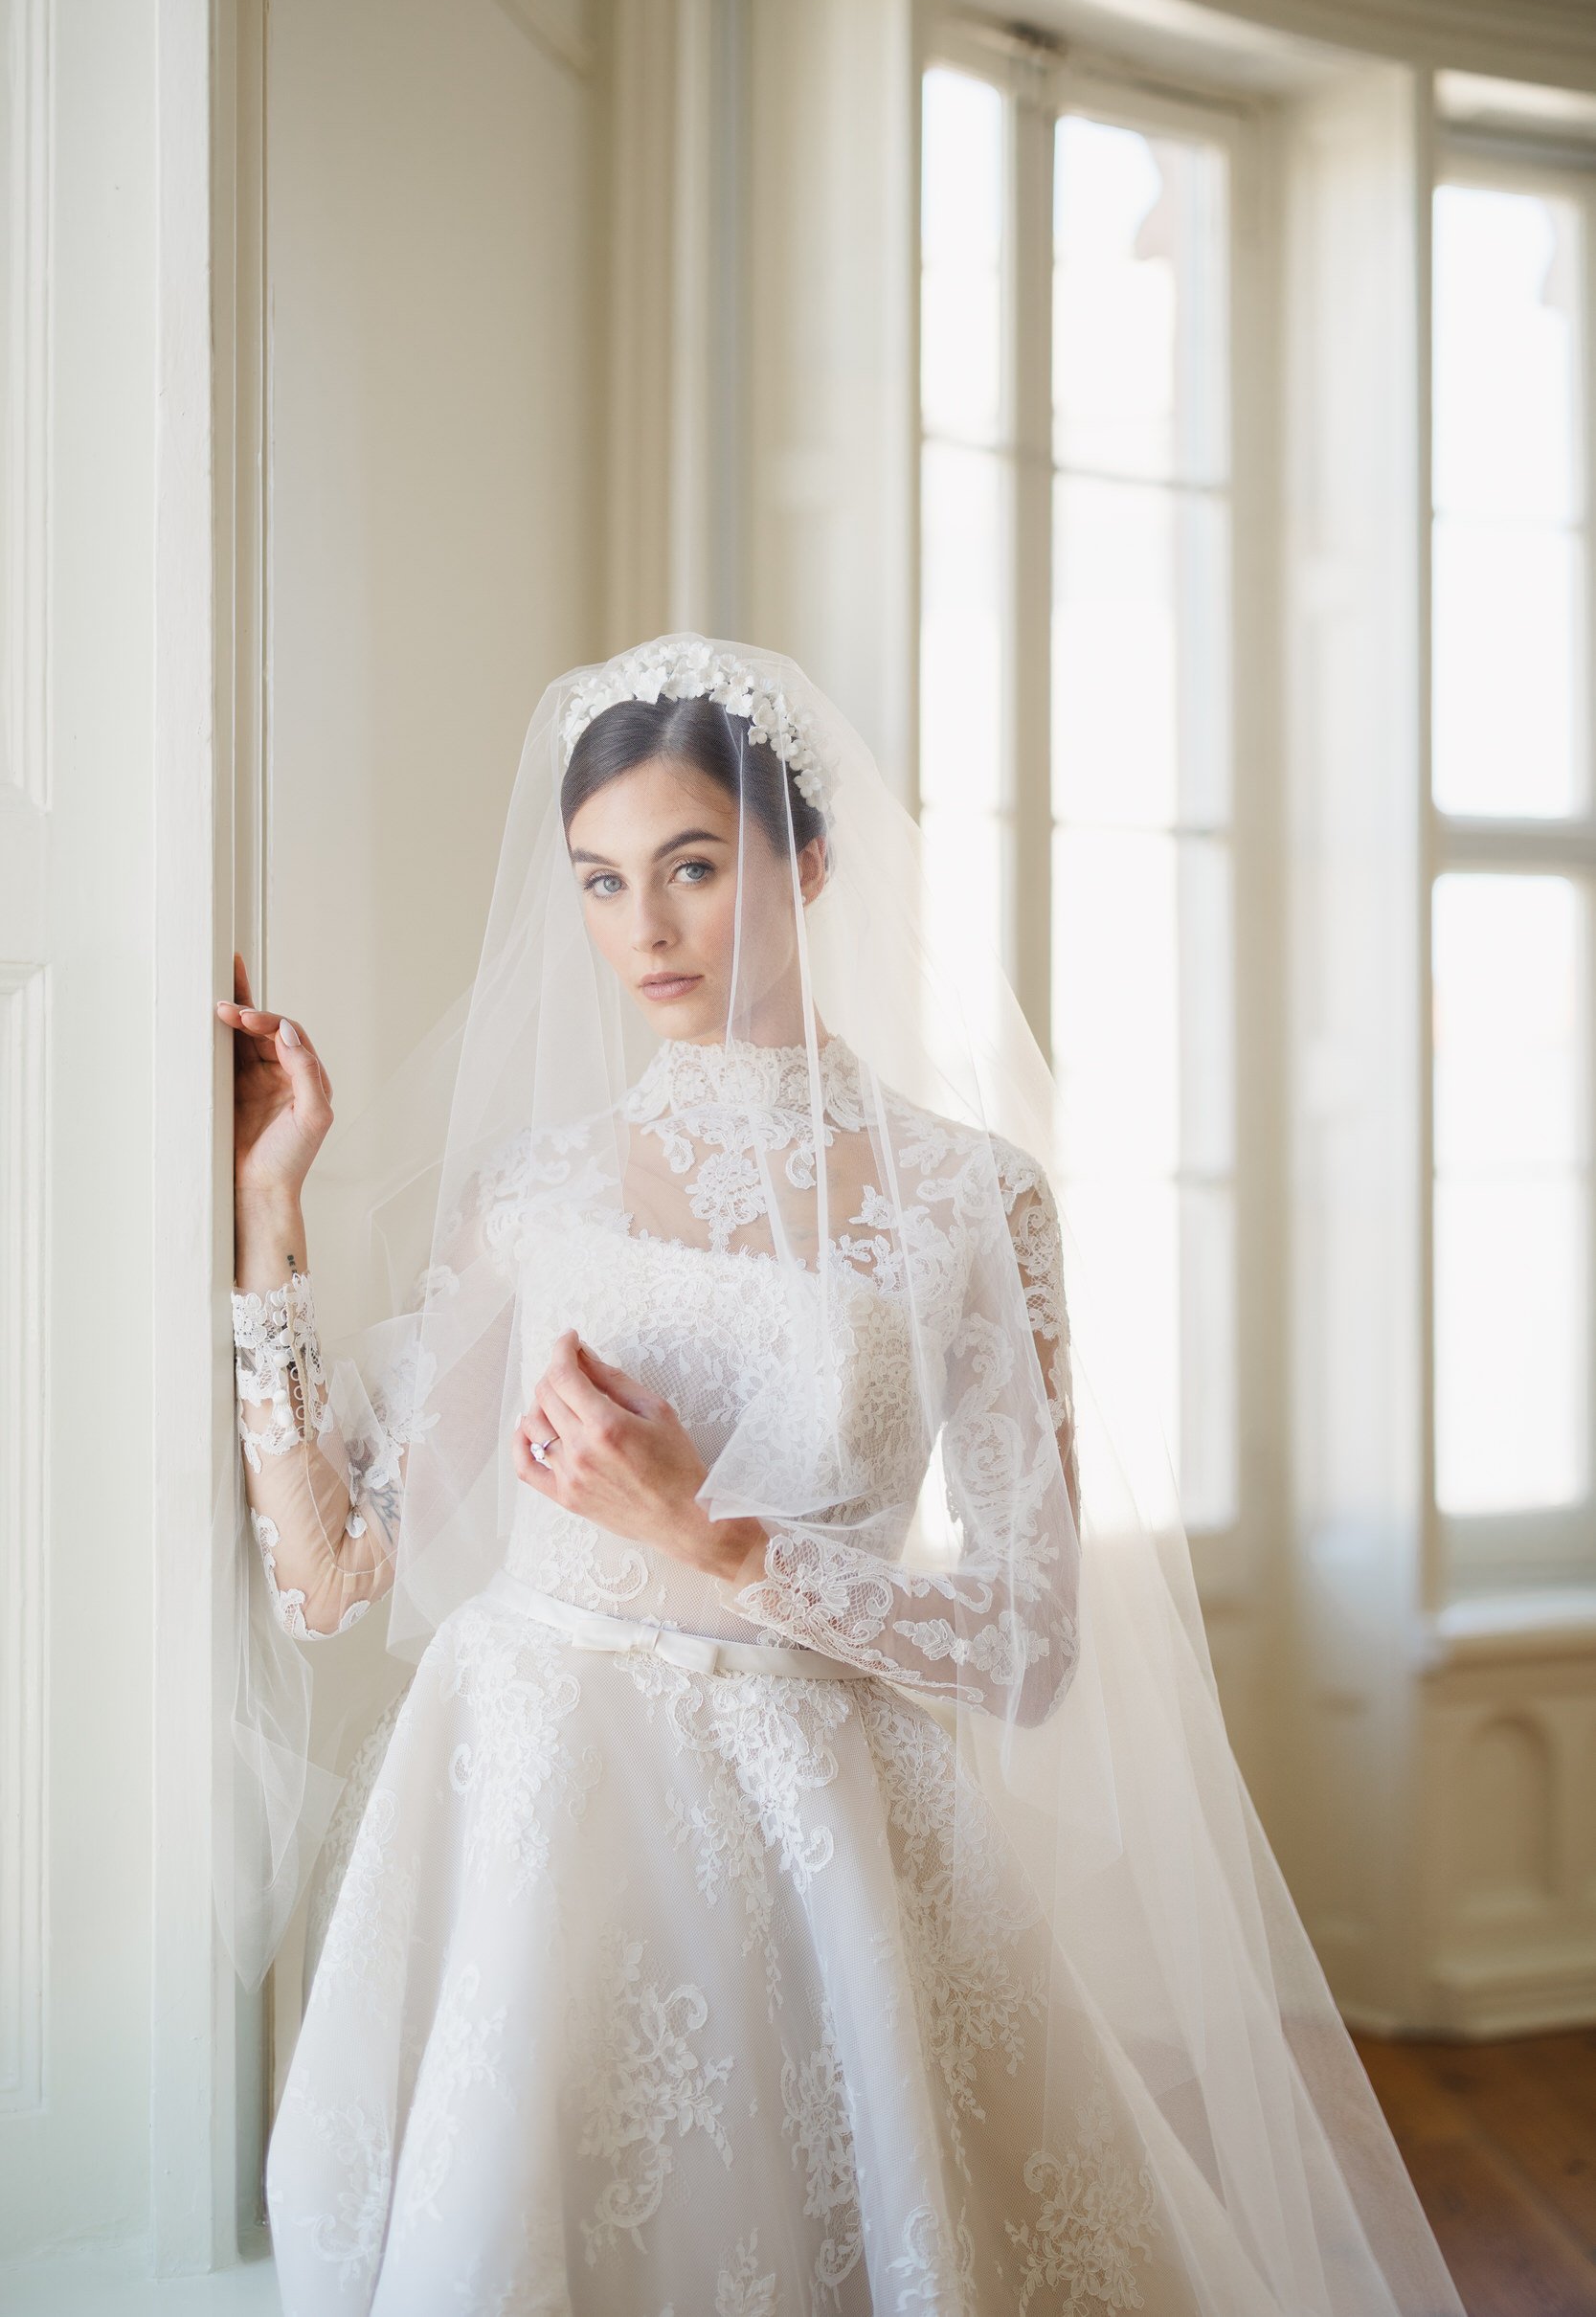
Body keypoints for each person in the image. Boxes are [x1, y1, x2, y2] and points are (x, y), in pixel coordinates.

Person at [217, 633, 1464, 2316]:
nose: (642, 931)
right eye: (598, 883)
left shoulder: (970, 1200)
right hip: (526, 1813)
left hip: (825, 1837)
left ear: (807, 862)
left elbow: (1029, 1649)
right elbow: (333, 1573)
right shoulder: (531, 1188)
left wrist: (718, 1542)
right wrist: (272, 1213)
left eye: (691, 868)